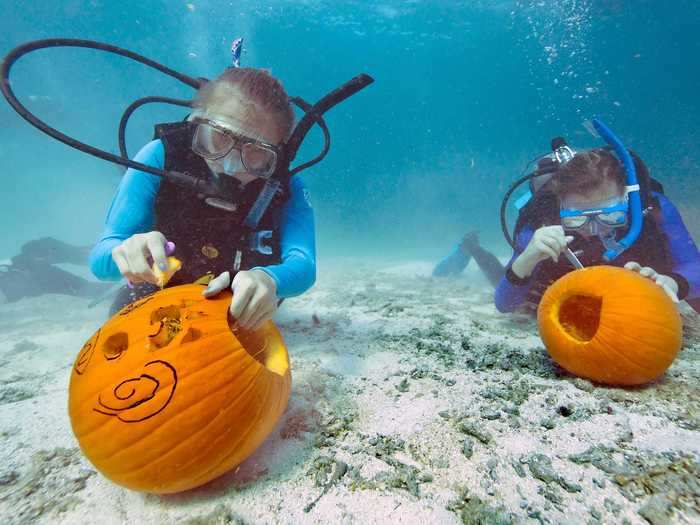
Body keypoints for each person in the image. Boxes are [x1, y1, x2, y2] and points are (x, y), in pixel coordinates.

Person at [89, 66, 315, 329]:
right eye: (220, 138)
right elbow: (101, 257)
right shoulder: (158, 156)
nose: (230, 166)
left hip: (238, 300)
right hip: (163, 288)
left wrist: (270, 279)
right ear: (197, 123)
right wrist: (125, 253)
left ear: (277, 155)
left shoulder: (287, 187)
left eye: (255, 152)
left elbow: (304, 263)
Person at [495, 144, 700, 314]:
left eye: (609, 215)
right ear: (560, 206)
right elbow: (505, 304)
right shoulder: (542, 224)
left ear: (627, 198)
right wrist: (526, 259)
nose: (595, 230)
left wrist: (674, 283)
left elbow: (693, 265)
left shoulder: (654, 209)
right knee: (494, 274)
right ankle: (474, 249)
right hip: (560, 295)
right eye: (577, 219)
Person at [0, 237, 112, 303]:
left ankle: (105, 257)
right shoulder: (11, 270)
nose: (46, 258)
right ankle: (114, 289)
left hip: (37, 276)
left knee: (75, 256)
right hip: (37, 281)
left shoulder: (16, 265)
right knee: (79, 285)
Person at [432, 231, 505, 288]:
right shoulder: (460, 255)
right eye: (476, 242)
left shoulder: (464, 253)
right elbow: (448, 269)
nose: (478, 243)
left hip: (442, 273)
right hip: (440, 273)